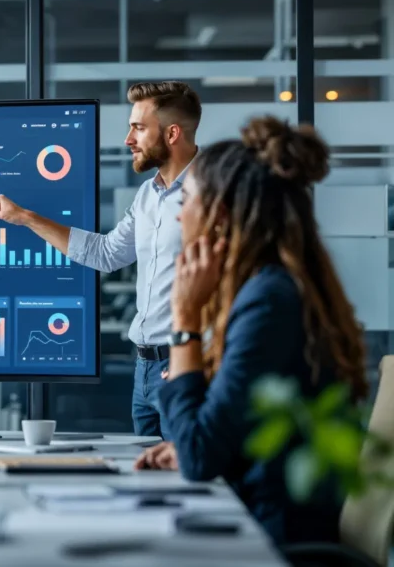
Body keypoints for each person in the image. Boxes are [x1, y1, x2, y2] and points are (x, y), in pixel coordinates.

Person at [134, 116, 367, 546]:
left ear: (218, 217)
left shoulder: (268, 301)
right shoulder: (267, 290)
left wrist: (184, 320)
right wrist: (189, 446)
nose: (181, 214)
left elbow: (200, 455)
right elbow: (207, 437)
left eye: (187, 200)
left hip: (270, 537)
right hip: (256, 517)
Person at [0, 81, 201, 437]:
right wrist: (25, 218)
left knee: (189, 479)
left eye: (138, 128)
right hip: (145, 368)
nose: (128, 139)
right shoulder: (147, 195)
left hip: (182, 363)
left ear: (171, 133)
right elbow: (105, 254)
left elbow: (233, 280)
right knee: (151, 479)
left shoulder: (212, 192)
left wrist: (202, 358)